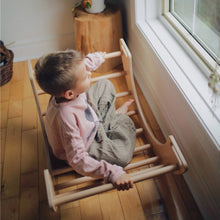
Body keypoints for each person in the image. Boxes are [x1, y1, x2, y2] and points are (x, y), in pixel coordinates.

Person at [35, 50, 136, 190]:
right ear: (70, 94)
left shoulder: (64, 91)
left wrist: (97, 57)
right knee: (122, 157)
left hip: (88, 119)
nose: (89, 73)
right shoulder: (66, 118)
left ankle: (108, 119)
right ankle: (116, 118)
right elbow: (77, 160)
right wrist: (113, 173)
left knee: (104, 84)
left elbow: (84, 66)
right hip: (87, 143)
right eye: (84, 77)